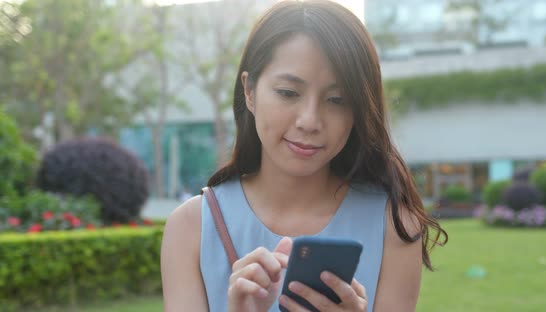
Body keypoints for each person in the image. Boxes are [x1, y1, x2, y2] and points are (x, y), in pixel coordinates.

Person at [160, 1, 447, 311]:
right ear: (250, 91)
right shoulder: (191, 228)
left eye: (337, 99)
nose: (310, 121)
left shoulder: (394, 226)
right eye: (288, 92)